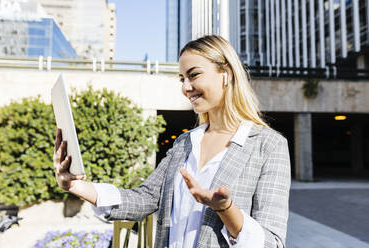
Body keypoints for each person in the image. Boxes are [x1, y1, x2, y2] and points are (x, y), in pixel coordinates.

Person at [53, 35, 291, 248]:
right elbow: (145, 198)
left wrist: (225, 209)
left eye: (194, 75)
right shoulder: (185, 143)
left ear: (226, 74)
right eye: (182, 79)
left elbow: (272, 241)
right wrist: (76, 186)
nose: (186, 88)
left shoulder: (268, 146)